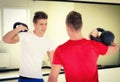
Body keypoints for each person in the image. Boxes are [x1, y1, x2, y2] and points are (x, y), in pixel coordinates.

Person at [48, 11, 119, 82]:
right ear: (81, 26)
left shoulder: (60, 50)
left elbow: (52, 78)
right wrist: (99, 39)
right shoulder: (94, 45)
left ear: (67, 28)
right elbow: (116, 47)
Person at [2, 11, 54, 82]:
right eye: (41, 24)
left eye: (45, 24)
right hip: (23, 78)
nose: (44, 27)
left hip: (38, 78)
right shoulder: (25, 35)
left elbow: (53, 60)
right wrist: (17, 29)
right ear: (34, 24)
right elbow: (5, 39)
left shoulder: (48, 41)